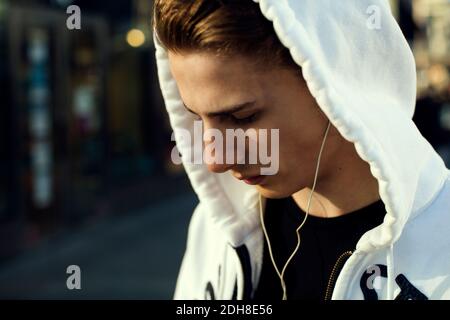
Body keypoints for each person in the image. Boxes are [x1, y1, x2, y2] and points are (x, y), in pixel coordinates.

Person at [152, 0, 450, 300]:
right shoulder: (218, 230)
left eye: (242, 118)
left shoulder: (442, 249)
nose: (215, 159)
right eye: (196, 117)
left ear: (332, 82)